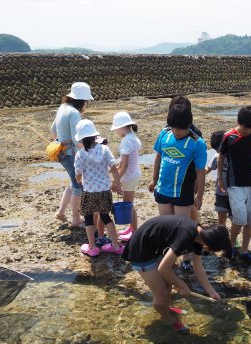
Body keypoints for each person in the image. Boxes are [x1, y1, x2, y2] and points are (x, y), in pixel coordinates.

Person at [121, 215, 231, 332]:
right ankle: (166, 317)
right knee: (161, 294)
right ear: (207, 247)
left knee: (168, 285)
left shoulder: (200, 236)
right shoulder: (185, 237)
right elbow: (163, 268)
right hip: (140, 249)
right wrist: (182, 285)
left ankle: (166, 309)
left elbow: (198, 268)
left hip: (154, 247)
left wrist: (211, 292)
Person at [148, 103, 208, 271]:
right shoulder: (164, 135)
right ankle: (168, 256)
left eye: (181, 129)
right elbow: (158, 157)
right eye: (174, 127)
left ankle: (187, 258)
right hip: (163, 189)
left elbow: (200, 171)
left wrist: (200, 196)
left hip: (183, 192)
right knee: (166, 227)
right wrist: (154, 180)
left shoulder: (197, 143)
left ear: (189, 125)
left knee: (183, 228)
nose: (177, 132)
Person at [218, 106, 251, 264]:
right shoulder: (228, 136)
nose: (247, 131)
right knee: (239, 217)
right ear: (238, 122)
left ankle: (244, 250)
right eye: (245, 127)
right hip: (234, 183)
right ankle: (230, 247)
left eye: (250, 128)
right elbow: (221, 157)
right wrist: (220, 178)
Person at [74, 119, 123, 257]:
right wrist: (117, 183)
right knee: (106, 217)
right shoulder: (105, 149)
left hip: (89, 191)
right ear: (95, 136)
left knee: (89, 218)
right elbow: (113, 168)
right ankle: (115, 245)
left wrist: (80, 181)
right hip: (104, 190)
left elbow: (78, 175)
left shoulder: (80, 154)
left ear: (81, 139)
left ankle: (93, 247)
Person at [50, 81, 94, 227]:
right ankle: (76, 219)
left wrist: (60, 142)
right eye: (87, 101)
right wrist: (90, 152)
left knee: (72, 182)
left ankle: (61, 212)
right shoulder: (74, 113)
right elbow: (77, 139)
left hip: (61, 153)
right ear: (82, 100)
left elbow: (53, 129)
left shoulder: (62, 107)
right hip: (71, 155)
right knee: (78, 187)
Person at [111, 111, 141, 241]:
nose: (116, 131)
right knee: (129, 203)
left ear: (122, 127)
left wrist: (116, 181)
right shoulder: (133, 137)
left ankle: (134, 232)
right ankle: (131, 229)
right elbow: (122, 162)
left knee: (128, 205)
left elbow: (125, 165)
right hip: (134, 174)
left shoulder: (126, 142)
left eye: (116, 128)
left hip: (129, 176)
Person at [205, 130, 230, 226]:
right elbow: (208, 169)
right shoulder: (216, 157)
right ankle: (222, 235)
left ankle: (233, 238)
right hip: (221, 192)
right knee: (221, 218)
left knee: (235, 218)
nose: (218, 152)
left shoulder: (234, 156)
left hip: (234, 191)